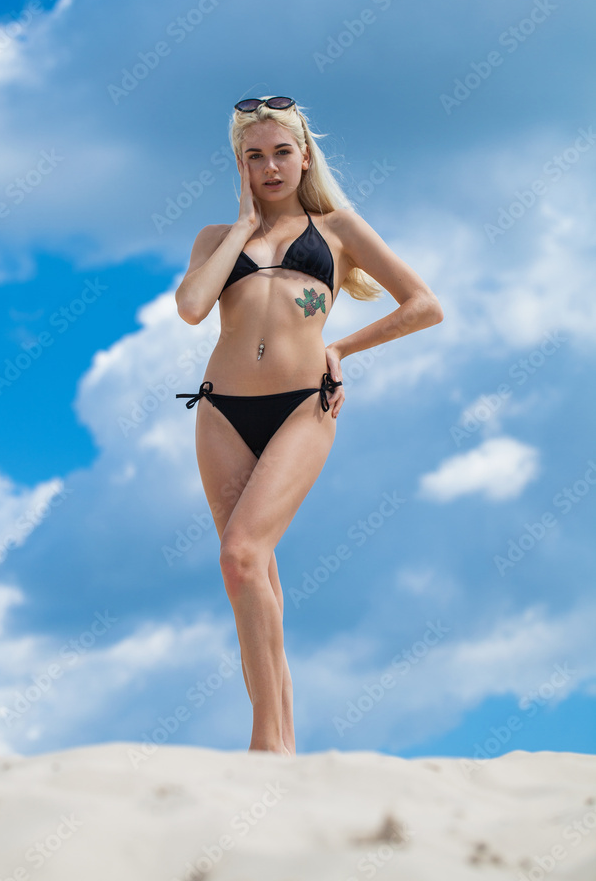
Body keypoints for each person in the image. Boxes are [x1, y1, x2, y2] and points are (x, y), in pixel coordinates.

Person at [174, 95, 443, 756]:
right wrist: (241, 226)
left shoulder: (338, 228)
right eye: (253, 156)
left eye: (281, 152)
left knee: (241, 553)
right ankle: (277, 741)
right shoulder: (215, 238)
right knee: (247, 572)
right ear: (238, 164)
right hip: (220, 411)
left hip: (302, 406)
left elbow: (424, 304)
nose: (269, 167)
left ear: (305, 155)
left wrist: (342, 349)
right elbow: (189, 307)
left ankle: (269, 746)